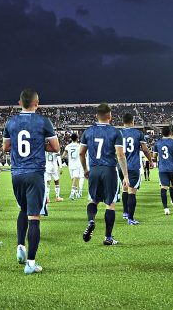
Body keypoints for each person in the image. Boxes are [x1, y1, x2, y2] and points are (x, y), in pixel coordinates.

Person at [3, 88, 60, 274]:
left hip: (16, 173)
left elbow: (5, 147)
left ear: (20, 103)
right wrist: (39, 145)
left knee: (23, 209)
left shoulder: (10, 122)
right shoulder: (43, 121)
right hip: (34, 173)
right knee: (34, 217)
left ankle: (20, 245)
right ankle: (31, 263)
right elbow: (55, 147)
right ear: (37, 102)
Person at [79, 103, 128, 246]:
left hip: (94, 170)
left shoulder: (88, 132)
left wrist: (85, 169)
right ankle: (108, 237)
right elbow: (120, 154)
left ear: (96, 116)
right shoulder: (115, 132)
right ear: (110, 116)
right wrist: (125, 175)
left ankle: (91, 220)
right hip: (109, 170)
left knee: (93, 200)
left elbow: (81, 153)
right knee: (110, 204)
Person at [119, 113, 153, 225]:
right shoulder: (138, 134)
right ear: (133, 122)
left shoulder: (118, 133)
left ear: (122, 122)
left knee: (124, 188)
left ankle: (125, 212)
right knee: (132, 192)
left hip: (120, 167)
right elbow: (145, 150)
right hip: (133, 166)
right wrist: (151, 160)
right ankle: (131, 218)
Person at [153, 126, 173, 215]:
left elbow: (154, 157)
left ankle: (166, 208)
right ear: (170, 133)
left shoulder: (157, 143)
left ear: (162, 133)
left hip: (162, 169)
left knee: (164, 187)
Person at [62, 133, 84, 200]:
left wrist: (68, 157)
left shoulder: (68, 146)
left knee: (73, 180)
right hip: (77, 164)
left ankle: (76, 193)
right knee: (75, 179)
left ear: (71, 139)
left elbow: (63, 156)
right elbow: (82, 154)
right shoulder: (79, 146)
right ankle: (72, 194)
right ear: (77, 138)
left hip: (70, 165)